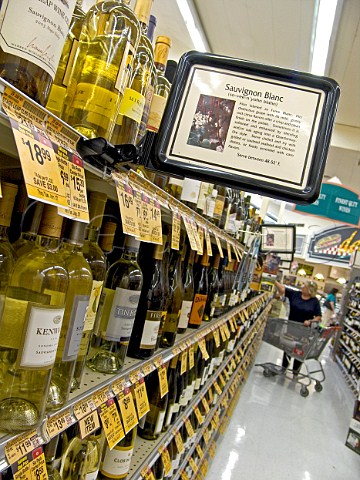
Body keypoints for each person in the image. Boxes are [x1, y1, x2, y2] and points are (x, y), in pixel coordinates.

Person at [275, 280, 322, 374]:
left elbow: (318, 317)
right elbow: (283, 289)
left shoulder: (315, 301)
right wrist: (273, 280)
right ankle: (283, 367)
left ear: (310, 290)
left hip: (304, 331)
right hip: (291, 327)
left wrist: (310, 321)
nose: (302, 286)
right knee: (287, 347)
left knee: (299, 350)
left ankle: (295, 371)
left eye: (305, 285)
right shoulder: (295, 294)